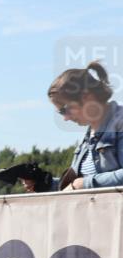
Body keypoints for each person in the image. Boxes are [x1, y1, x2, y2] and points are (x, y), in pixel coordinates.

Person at [41, 61, 123, 190]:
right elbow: (78, 183)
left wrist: (84, 184)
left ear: (86, 97)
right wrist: (44, 183)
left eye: (65, 109)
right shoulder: (89, 136)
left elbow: (83, 183)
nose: (65, 118)